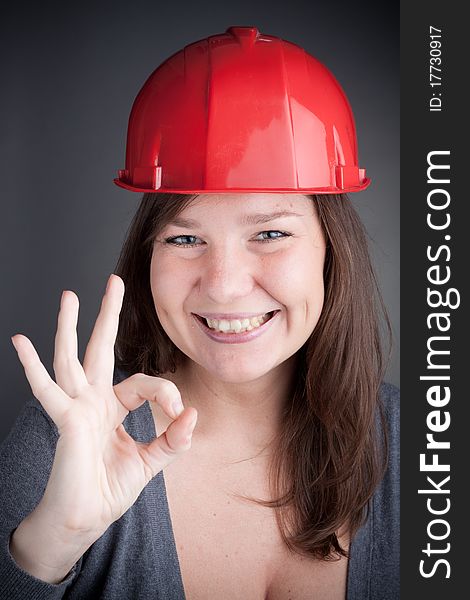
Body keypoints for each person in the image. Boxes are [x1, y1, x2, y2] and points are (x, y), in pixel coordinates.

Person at [0, 26, 399, 599]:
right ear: (147, 255)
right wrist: (48, 547)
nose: (226, 287)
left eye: (269, 233)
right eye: (185, 240)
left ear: (331, 250)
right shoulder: (64, 441)